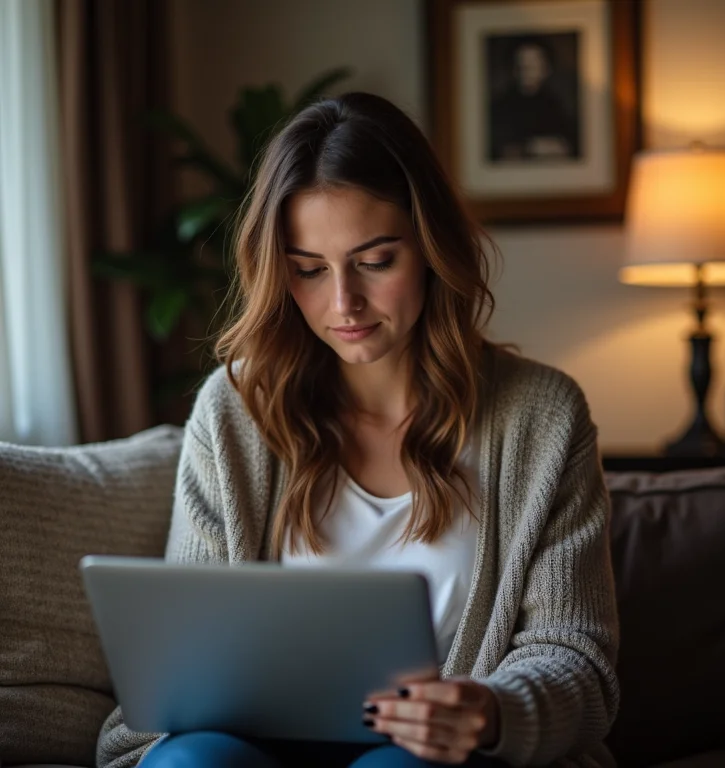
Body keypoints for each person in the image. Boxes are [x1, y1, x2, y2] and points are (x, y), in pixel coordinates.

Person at [95, 91, 619, 768]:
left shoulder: (542, 418)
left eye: (375, 262)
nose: (343, 303)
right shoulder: (235, 409)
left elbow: (574, 655)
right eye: (309, 270)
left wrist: (492, 712)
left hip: (432, 758)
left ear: (432, 249)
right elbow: (190, 662)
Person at [489, 38, 579, 161]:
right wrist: (529, 148)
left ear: (547, 69)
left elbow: (571, 147)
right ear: (512, 69)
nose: (526, 69)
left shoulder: (557, 106)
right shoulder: (498, 108)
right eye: (520, 63)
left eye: (533, 63)